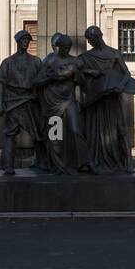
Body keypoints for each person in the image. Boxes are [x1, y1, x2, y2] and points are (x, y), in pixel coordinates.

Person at [77, 25, 135, 173]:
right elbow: (77, 72)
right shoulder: (86, 57)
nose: (91, 42)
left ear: (100, 36)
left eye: (92, 39)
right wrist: (89, 71)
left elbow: (126, 74)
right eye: (89, 40)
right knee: (94, 131)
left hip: (112, 99)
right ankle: (94, 160)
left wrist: (120, 86)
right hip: (96, 100)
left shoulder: (114, 54)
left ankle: (126, 162)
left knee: (120, 130)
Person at [33, 32, 89, 174]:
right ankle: (58, 166)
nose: (65, 50)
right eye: (62, 47)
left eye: (68, 47)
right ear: (57, 47)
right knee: (55, 137)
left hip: (68, 102)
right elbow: (37, 82)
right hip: (51, 105)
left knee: (76, 130)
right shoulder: (49, 60)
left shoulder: (75, 61)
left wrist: (76, 73)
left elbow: (82, 82)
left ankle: (83, 163)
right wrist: (51, 78)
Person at [0, 30, 43, 174]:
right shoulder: (7, 62)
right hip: (13, 101)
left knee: (38, 133)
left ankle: (40, 161)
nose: (25, 43)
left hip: (30, 101)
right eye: (23, 40)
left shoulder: (36, 61)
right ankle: (8, 165)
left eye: (27, 40)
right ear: (17, 42)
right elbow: (2, 84)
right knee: (10, 134)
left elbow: (41, 83)